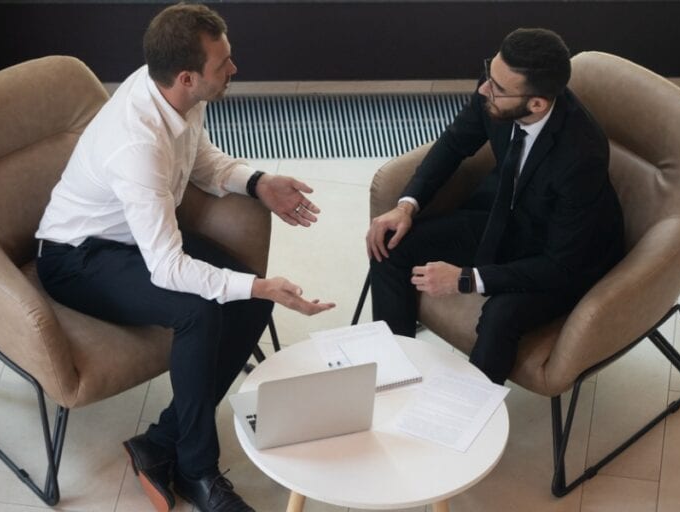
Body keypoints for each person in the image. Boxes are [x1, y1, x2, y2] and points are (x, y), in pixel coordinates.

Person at [34, 4, 334, 512]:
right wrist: (260, 286)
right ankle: (197, 470)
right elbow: (168, 270)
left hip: (137, 236)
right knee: (198, 310)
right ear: (187, 75)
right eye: (225, 65)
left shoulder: (177, 93)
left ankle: (159, 441)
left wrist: (258, 183)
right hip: (77, 258)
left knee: (249, 297)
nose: (234, 70)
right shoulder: (137, 143)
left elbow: (197, 159)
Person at [365, 28, 624, 385]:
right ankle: (394, 377)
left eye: (498, 88)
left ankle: (465, 418)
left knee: (501, 315)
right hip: (503, 217)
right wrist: (407, 206)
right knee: (392, 245)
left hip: (557, 257)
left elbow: (560, 264)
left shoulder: (580, 157)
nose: (484, 89)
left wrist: (466, 279)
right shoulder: (495, 89)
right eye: (489, 74)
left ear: (537, 104)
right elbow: (454, 144)